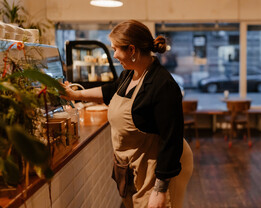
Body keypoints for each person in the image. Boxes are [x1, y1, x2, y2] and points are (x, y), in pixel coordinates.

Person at [62, 20, 193, 208]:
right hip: (134, 168)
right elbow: (109, 91)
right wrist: (76, 94)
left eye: (116, 49)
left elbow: (171, 140)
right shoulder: (129, 75)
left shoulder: (162, 85)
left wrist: (160, 190)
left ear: (132, 50)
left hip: (161, 170)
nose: (114, 55)